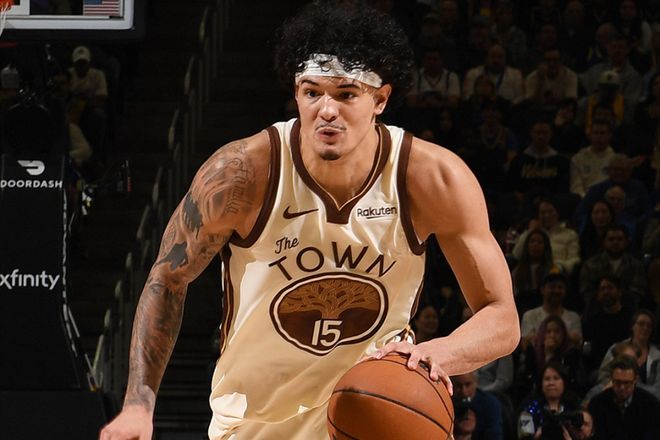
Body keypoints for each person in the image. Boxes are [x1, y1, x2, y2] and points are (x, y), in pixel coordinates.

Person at [98, 3, 520, 440]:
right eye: (312, 92)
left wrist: (440, 353)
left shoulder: (432, 178)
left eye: (346, 94)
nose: (327, 110)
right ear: (296, 94)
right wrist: (138, 405)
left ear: (380, 99)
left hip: (372, 418)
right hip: (255, 424)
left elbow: (502, 318)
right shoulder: (242, 173)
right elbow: (168, 279)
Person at [588, 355, 660, 439]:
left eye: (627, 383)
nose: (622, 387)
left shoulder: (651, 405)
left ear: (635, 380)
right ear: (611, 379)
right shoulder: (597, 404)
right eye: (618, 382)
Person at [518, 361, 582, 440]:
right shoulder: (529, 408)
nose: (551, 383)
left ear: (564, 382)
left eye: (556, 378)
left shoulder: (574, 407)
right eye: (547, 379)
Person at [452, 371, 503, 440]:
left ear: (476, 383)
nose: (464, 391)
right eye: (458, 385)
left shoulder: (490, 404)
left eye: (468, 385)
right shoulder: (445, 403)